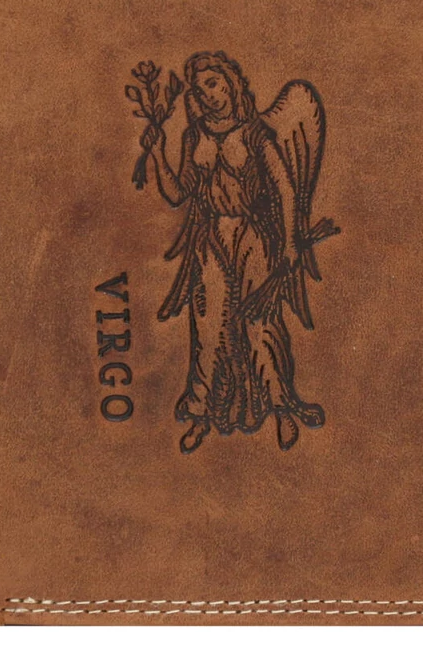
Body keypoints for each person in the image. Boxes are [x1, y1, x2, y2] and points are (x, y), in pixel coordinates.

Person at [140, 51, 333, 453]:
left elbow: (284, 189)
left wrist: (290, 242)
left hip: (253, 238)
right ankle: (201, 414)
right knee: (208, 327)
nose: (208, 94)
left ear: (230, 83)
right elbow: (177, 194)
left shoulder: (255, 133)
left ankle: (281, 408)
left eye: (213, 83)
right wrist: (157, 152)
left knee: (259, 325)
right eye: (200, 89)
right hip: (210, 241)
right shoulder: (194, 136)